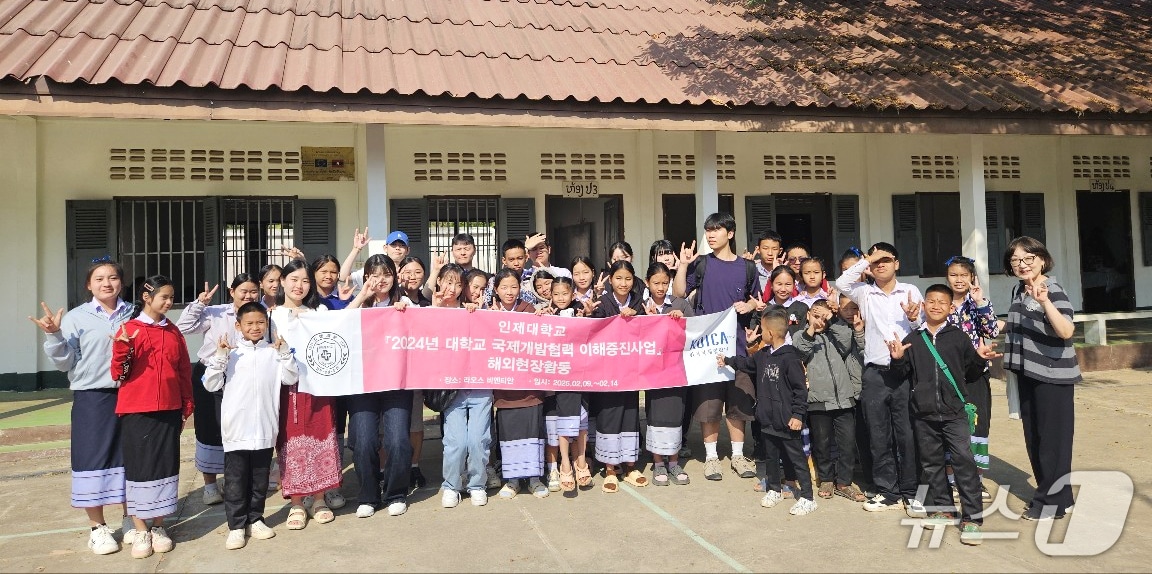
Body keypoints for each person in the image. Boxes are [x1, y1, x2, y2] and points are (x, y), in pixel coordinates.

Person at [30, 257, 134, 555]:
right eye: (99, 278)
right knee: (91, 460)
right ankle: (97, 527)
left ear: (121, 282)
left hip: (130, 395)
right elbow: (64, 362)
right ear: (89, 285)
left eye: (112, 277)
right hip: (92, 399)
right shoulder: (76, 318)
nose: (107, 283)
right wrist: (53, 333)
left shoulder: (135, 313)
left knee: (131, 457)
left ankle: (131, 519)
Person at [888, 283, 999, 545]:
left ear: (951, 308)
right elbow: (901, 375)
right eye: (931, 301)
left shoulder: (959, 338)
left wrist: (980, 359)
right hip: (924, 414)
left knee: (964, 461)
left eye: (942, 302)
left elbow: (971, 374)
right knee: (932, 464)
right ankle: (943, 509)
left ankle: (972, 519)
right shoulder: (913, 339)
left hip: (955, 413)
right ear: (923, 306)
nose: (936, 306)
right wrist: (896, 359)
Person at [835, 243, 925, 514]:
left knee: (907, 433)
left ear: (897, 263)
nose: (881, 265)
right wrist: (866, 261)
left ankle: (911, 491)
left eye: (886, 260)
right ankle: (888, 491)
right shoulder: (865, 292)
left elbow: (922, 328)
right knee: (878, 434)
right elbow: (841, 281)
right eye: (876, 262)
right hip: (874, 372)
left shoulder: (911, 291)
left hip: (904, 370)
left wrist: (913, 319)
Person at [110, 275, 193, 559]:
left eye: (171, 297)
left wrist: (186, 403)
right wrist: (123, 348)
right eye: (164, 297)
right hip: (137, 410)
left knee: (165, 466)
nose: (169, 302)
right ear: (147, 298)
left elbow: (183, 370)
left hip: (169, 409)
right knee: (139, 468)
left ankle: (159, 525)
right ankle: (140, 527)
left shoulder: (173, 332)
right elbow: (117, 374)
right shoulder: (129, 330)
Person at [672, 212, 760, 481]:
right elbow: (678, 294)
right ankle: (711, 458)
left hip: (738, 346)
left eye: (716, 230)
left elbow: (757, 300)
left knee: (738, 404)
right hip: (708, 349)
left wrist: (750, 305)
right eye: (708, 230)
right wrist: (684, 265)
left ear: (730, 234)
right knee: (709, 405)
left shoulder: (747, 267)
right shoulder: (701, 264)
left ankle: (737, 455)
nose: (710, 235)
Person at [202, 302, 297, 549]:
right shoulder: (230, 354)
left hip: (265, 428)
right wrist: (220, 357)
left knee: (260, 478)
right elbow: (211, 385)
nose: (255, 328)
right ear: (238, 326)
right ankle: (236, 526)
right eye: (250, 323)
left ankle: (255, 519)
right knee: (235, 479)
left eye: (260, 323)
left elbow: (291, 377)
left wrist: (285, 351)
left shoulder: (273, 352)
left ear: (267, 325)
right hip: (236, 429)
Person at [1002, 236, 1080, 520]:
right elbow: (1014, 325)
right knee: (1036, 439)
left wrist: (1045, 301)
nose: (1022, 265)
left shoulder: (1052, 289)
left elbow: (1066, 330)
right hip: (1028, 372)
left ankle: (1049, 504)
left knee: (1052, 442)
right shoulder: (1020, 290)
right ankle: (1062, 497)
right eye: (1015, 261)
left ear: (1042, 259)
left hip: (1053, 376)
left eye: (1028, 259)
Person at [718, 308, 817, 515]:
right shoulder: (763, 355)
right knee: (771, 458)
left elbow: (801, 390)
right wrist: (727, 360)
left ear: (770, 333)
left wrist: (798, 416)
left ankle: (807, 497)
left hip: (787, 421)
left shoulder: (790, 359)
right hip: (767, 420)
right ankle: (774, 489)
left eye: (762, 330)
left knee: (796, 459)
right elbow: (746, 363)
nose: (760, 332)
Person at [270, 260, 344, 529]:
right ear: (282, 282)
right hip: (287, 390)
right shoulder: (272, 316)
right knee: (291, 441)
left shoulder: (319, 310)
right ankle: (297, 502)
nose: (299, 285)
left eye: (304, 281)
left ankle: (320, 497)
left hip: (319, 387)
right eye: (293, 279)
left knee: (321, 435)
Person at [176, 274, 261, 507]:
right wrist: (199, 303)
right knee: (209, 429)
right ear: (231, 291)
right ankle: (210, 485)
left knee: (240, 429)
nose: (249, 296)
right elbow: (183, 327)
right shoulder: (216, 312)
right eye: (243, 291)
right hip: (209, 376)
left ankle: (237, 480)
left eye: (253, 291)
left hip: (243, 379)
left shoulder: (261, 314)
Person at [342, 254, 416, 518]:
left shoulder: (403, 302)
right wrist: (360, 298)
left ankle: (396, 493)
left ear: (394, 277)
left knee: (397, 441)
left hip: (396, 383)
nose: (381, 280)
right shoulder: (356, 304)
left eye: (386, 274)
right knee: (363, 441)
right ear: (366, 278)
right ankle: (369, 496)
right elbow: (338, 325)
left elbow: (423, 327)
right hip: (361, 384)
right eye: (375, 274)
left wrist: (406, 315)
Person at [793, 299, 866, 502]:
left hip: (844, 399)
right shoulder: (801, 335)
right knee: (822, 443)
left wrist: (832, 320)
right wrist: (811, 330)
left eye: (824, 317)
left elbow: (845, 343)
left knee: (847, 443)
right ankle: (826, 478)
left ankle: (844, 481)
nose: (820, 321)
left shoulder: (835, 335)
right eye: (816, 315)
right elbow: (800, 352)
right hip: (818, 400)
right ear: (808, 315)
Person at [488, 268, 549, 499]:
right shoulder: (489, 314)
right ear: (496, 290)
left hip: (529, 385)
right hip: (505, 388)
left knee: (532, 431)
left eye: (514, 287)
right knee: (509, 434)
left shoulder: (530, 310)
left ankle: (534, 478)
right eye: (504, 287)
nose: (510, 292)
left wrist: (542, 320)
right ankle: (512, 480)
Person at [944, 255, 1000, 500]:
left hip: (976, 375)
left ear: (972, 278)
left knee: (977, 425)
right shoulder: (939, 302)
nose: (958, 280)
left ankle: (976, 480)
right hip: (946, 376)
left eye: (963, 275)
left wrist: (980, 302)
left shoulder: (977, 303)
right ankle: (951, 480)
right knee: (948, 427)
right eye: (953, 275)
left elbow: (993, 330)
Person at [591, 261, 649, 492]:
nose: (623, 283)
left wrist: (638, 316)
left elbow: (650, 326)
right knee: (609, 416)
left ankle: (630, 466)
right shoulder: (602, 302)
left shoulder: (638, 301)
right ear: (610, 279)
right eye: (618, 278)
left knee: (630, 414)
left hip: (631, 372)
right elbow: (593, 330)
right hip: (608, 372)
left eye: (628, 279)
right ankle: (610, 468)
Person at [537, 276, 594, 492]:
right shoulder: (546, 313)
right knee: (564, 422)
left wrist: (589, 316)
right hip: (560, 378)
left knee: (581, 422)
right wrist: (541, 318)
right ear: (550, 295)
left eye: (565, 293)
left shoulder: (583, 310)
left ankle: (581, 462)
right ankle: (565, 464)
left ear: (573, 294)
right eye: (556, 294)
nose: (561, 298)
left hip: (582, 376)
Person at [642, 262, 693, 487]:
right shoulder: (642, 305)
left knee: (675, 415)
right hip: (653, 374)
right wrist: (647, 319)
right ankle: (658, 463)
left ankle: (674, 461)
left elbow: (696, 330)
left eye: (665, 283)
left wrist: (681, 318)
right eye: (656, 283)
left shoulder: (681, 303)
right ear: (647, 283)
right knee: (655, 416)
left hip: (676, 371)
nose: (661, 288)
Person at [397, 255, 432, 490]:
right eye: (407, 271)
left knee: (415, 423)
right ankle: (388, 468)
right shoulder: (391, 300)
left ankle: (414, 466)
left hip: (418, 371)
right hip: (392, 373)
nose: (412, 276)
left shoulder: (427, 302)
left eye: (418, 271)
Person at [482, 239, 537, 307]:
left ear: (526, 257)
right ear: (504, 260)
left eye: (520, 258)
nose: (516, 263)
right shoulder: (494, 280)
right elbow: (487, 304)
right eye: (511, 259)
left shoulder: (534, 277)